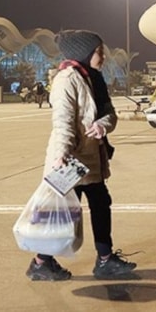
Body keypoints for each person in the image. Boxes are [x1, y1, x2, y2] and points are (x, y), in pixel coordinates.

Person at [25, 29, 137, 281]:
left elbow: (109, 113)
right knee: (62, 212)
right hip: (70, 159)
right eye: (98, 52)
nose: (103, 56)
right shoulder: (66, 79)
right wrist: (61, 155)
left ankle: (105, 259)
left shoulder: (94, 78)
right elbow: (63, 122)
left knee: (100, 203)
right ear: (83, 53)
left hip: (91, 157)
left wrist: (103, 125)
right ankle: (41, 262)